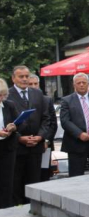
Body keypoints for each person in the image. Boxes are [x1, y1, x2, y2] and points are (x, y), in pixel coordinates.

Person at [8, 65, 51, 205]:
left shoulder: (37, 93)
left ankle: (33, 207)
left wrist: (40, 136)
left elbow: (46, 118)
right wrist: (19, 137)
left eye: (27, 76)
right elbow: (6, 120)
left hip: (36, 146)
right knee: (16, 181)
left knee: (34, 181)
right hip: (17, 146)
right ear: (13, 78)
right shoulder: (7, 95)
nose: (25, 79)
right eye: (21, 76)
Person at [27, 74, 57, 182]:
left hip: (44, 145)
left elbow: (52, 123)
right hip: (27, 144)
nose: (34, 86)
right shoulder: (23, 100)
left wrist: (46, 140)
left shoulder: (46, 100)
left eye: (36, 84)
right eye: (30, 84)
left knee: (44, 174)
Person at [0, 78, 19, 209]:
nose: (1, 97)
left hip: (7, 147)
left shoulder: (9, 105)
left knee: (7, 181)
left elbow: (19, 123)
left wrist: (13, 127)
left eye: (3, 94)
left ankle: (6, 208)